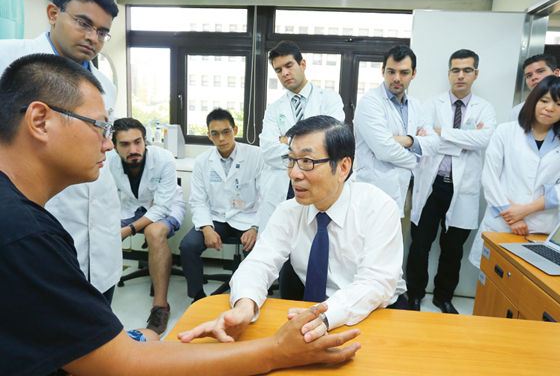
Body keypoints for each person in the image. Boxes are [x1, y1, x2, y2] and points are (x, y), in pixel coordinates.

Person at [0, 53, 360, 376]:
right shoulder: (25, 235)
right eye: (99, 126)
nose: (109, 144)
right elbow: (119, 363)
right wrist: (276, 349)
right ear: (40, 121)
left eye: (308, 161)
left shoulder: (21, 219)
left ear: (343, 165)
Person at [177, 115, 407, 346]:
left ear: (343, 168)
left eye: (307, 161)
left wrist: (326, 315)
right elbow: (259, 263)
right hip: (311, 316)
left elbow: (375, 283)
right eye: (291, 159)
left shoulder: (378, 208)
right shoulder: (289, 211)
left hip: (372, 313)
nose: (294, 174)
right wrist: (245, 304)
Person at [0, 0, 122, 303]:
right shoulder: (7, 60)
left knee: (97, 317)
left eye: (102, 31)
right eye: (84, 23)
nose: (92, 37)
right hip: (30, 222)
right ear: (54, 13)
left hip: (100, 230)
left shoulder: (105, 86)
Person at [406, 49, 497, 314]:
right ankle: (414, 294)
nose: (461, 75)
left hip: (463, 187)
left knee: (453, 247)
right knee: (420, 244)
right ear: (448, 73)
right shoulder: (431, 105)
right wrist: (460, 139)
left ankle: (443, 297)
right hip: (431, 184)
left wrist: (441, 134)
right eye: (455, 70)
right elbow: (423, 138)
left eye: (467, 70)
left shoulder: (485, 108)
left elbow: (483, 139)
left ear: (475, 74)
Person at [469, 76, 560, 268]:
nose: (549, 108)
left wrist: (523, 211)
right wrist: (512, 217)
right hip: (501, 223)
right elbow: (490, 178)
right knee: (491, 284)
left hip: (540, 227)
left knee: (524, 288)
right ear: (534, 100)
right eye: (544, 101)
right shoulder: (506, 131)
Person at [107, 117, 186, 335]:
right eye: (124, 144)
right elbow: (110, 198)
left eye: (137, 142)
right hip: (132, 207)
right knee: (101, 231)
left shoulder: (164, 159)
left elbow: (160, 208)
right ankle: (99, 299)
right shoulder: (109, 161)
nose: (133, 149)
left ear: (145, 141)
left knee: (154, 231)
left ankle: (160, 306)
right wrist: (111, 227)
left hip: (167, 207)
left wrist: (127, 230)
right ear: (114, 146)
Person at [258, 40, 345, 231]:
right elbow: (268, 151)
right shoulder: (273, 110)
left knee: (311, 246)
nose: (285, 73)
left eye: (289, 65)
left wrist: (287, 140)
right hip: (282, 187)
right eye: (279, 70)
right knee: (280, 250)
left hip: (317, 185)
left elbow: (332, 141)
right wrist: (309, 150)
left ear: (302, 64)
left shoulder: (329, 100)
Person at [180, 108, 264, 301]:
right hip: (217, 218)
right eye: (215, 134)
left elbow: (266, 197)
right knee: (188, 246)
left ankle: (249, 299)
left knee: (258, 250)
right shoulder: (202, 161)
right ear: (209, 136)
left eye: (226, 131)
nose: (222, 138)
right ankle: (198, 296)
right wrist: (207, 228)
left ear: (235, 129)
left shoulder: (256, 155)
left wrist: (256, 227)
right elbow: (198, 200)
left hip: (249, 217)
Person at [353, 45, 437, 221]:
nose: (396, 78)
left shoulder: (415, 105)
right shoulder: (370, 103)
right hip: (376, 192)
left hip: (405, 191)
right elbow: (384, 150)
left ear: (414, 73)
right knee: (372, 246)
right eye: (391, 71)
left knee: (398, 246)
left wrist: (406, 140)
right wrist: (416, 156)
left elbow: (435, 143)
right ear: (383, 71)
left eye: (404, 73)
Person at [511, 53, 560, 130]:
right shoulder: (518, 110)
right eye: (529, 75)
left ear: (556, 73)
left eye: (540, 71)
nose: (534, 77)